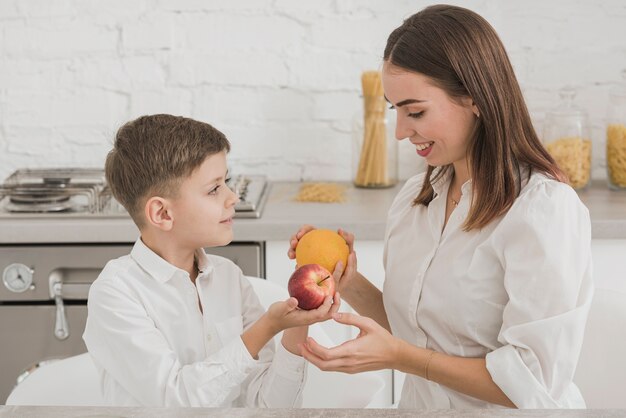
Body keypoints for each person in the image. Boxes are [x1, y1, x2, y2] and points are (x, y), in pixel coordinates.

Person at [289, 4, 593, 409]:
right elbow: (418, 331)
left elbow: (530, 383)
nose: (400, 132)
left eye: (415, 111)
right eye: (395, 110)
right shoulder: (416, 198)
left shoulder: (543, 209)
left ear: (475, 99)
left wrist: (401, 358)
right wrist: (348, 282)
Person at [83, 114, 340, 407]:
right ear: (163, 214)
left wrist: (298, 321)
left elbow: (270, 408)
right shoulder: (116, 292)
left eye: (226, 182)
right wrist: (266, 327)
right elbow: (176, 402)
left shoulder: (228, 277)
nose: (232, 198)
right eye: (214, 188)